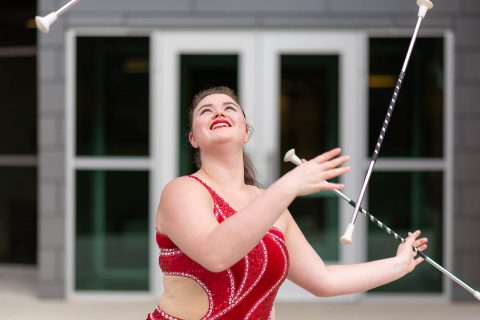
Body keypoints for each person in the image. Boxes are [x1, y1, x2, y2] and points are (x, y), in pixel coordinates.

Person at [147, 86, 428, 320]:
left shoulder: (269, 204)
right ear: (193, 138)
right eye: (205, 111)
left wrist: (398, 264)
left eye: (229, 107)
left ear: (246, 132)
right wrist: (288, 185)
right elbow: (215, 254)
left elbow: (324, 280)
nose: (218, 111)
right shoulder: (183, 191)